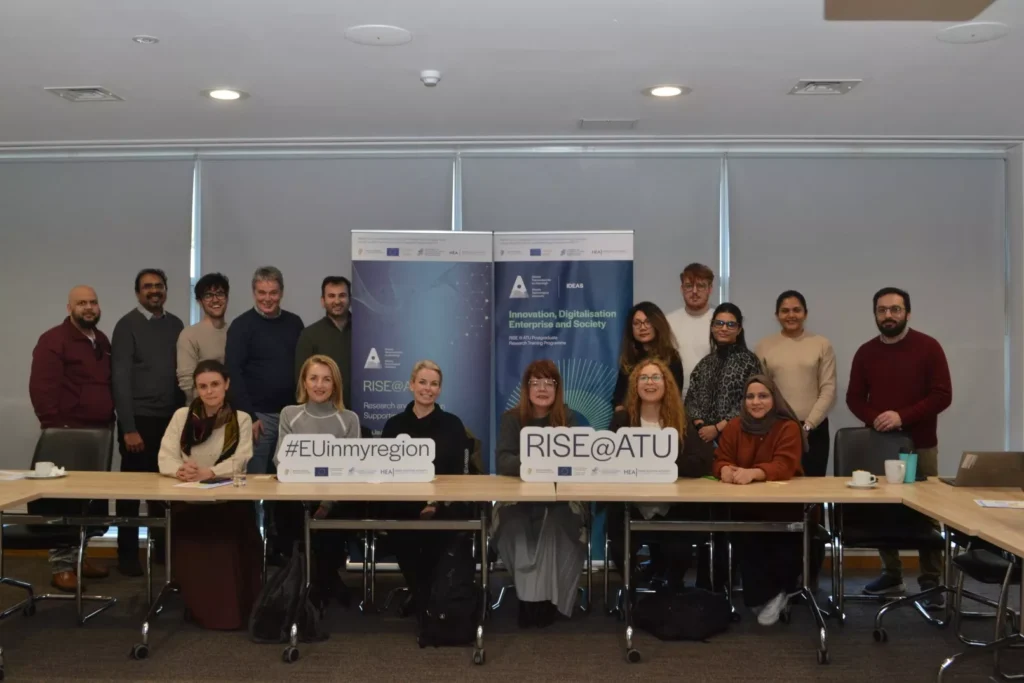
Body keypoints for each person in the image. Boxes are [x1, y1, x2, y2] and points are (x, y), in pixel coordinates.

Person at [847, 286, 952, 605]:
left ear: (907, 312)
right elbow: (854, 398)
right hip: (878, 446)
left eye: (895, 309)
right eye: (882, 310)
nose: (888, 315)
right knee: (882, 510)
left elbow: (941, 395)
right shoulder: (866, 352)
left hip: (920, 445)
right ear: (875, 314)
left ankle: (931, 579)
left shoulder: (929, 347)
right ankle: (891, 572)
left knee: (927, 512)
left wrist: (901, 417)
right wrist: (878, 417)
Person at [157, 360, 261, 630]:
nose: (209, 391)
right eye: (202, 386)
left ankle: (231, 610)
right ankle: (196, 605)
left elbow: (241, 460)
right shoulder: (182, 416)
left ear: (226, 385)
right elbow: (165, 456)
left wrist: (210, 472)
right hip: (189, 499)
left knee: (231, 531)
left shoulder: (241, 419)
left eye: (215, 384)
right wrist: (180, 469)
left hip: (227, 500)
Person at [29, 285, 114, 592]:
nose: (88, 307)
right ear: (69, 308)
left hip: (99, 434)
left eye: (93, 301)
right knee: (63, 504)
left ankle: (81, 558)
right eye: (81, 303)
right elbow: (41, 387)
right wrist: (54, 429)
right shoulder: (53, 341)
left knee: (89, 503)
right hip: (66, 434)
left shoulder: (101, 340)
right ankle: (62, 566)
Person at [606, 358, 715, 589]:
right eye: (643, 377)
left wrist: (664, 462)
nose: (650, 382)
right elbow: (609, 462)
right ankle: (631, 590)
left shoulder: (680, 421)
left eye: (656, 377)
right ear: (635, 385)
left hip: (673, 506)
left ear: (666, 384)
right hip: (631, 506)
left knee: (679, 549)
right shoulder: (622, 420)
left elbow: (703, 462)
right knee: (617, 544)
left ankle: (671, 592)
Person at [495, 360, 587, 628]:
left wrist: (562, 451)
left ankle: (548, 599)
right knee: (514, 525)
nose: (543, 388)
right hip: (518, 498)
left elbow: (582, 463)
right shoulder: (512, 419)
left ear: (558, 388)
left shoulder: (572, 419)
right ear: (526, 388)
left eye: (549, 382)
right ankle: (529, 597)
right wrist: (543, 463)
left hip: (563, 499)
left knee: (556, 525)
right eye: (536, 382)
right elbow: (503, 461)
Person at [713, 374, 806, 626]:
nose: (755, 402)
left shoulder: (787, 427)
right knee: (744, 534)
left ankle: (780, 591)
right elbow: (721, 458)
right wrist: (723, 469)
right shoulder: (734, 426)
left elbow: (784, 464)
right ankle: (764, 595)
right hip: (746, 507)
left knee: (784, 539)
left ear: (774, 399)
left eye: (763, 396)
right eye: (750, 396)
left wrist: (754, 472)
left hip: (783, 508)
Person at [381, 361, 470, 613]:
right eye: (422, 382)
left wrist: (434, 503)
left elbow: (460, 475)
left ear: (439, 390)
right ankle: (425, 597)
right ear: (411, 385)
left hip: (443, 504)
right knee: (400, 527)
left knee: (441, 529)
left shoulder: (453, 425)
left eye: (434, 384)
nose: (427, 389)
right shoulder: (394, 425)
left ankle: (425, 598)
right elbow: (385, 472)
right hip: (403, 504)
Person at [111, 268, 184, 576]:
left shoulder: (177, 324)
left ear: (166, 289)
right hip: (139, 422)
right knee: (132, 493)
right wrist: (128, 427)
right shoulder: (126, 326)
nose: (154, 291)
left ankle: (162, 552)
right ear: (138, 292)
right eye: (147, 287)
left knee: (166, 490)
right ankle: (127, 556)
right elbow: (120, 379)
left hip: (171, 422)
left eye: (159, 285)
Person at [275, 355, 360, 608]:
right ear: (304, 382)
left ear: (335, 385)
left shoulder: (349, 419)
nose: (319, 385)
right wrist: (304, 496)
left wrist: (327, 502)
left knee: (334, 520)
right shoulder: (289, 415)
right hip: (297, 497)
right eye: (313, 378)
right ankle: (317, 583)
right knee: (288, 513)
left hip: (335, 500)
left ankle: (319, 584)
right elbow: (282, 462)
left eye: (326, 379)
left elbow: (350, 468)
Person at [225, 266, 304, 476]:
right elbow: (233, 373)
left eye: (273, 293)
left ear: (282, 293)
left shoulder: (294, 323)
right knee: (256, 478)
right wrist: (249, 416)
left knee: (289, 474)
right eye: (262, 292)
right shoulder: (241, 326)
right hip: (258, 417)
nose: (267, 298)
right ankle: (258, 512)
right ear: (254, 293)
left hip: (291, 414)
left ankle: (278, 512)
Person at [755, 290, 837, 476]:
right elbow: (761, 392)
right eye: (785, 311)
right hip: (776, 429)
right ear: (777, 316)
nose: (791, 315)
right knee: (779, 487)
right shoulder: (764, 346)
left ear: (805, 313)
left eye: (796, 310)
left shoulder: (822, 344)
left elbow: (828, 389)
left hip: (814, 430)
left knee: (812, 489)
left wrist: (808, 425)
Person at [685, 303, 762, 444]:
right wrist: (701, 426)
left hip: (738, 438)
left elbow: (751, 401)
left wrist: (717, 428)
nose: (724, 328)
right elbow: (691, 399)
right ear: (712, 327)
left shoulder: (749, 361)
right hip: (702, 439)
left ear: (739, 329)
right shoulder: (704, 363)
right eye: (719, 323)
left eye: (730, 324)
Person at [612, 302, 684, 409]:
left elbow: (675, 396)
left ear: (657, 324)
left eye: (648, 322)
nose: (642, 327)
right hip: (631, 420)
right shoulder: (629, 359)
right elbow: (618, 398)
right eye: (637, 323)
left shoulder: (671, 357)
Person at [295, 276, 353, 410]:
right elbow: (301, 379)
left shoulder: (365, 331)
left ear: (350, 299)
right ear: (323, 301)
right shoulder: (309, 335)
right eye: (331, 296)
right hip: (321, 413)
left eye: (342, 295)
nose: (337, 301)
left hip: (363, 413)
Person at [177, 272, 230, 404]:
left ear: (227, 298)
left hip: (233, 410)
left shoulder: (235, 331)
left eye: (220, 294)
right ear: (199, 302)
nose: (215, 299)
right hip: (201, 413)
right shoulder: (189, 335)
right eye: (208, 295)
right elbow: (187, 383)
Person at [666, 263, 715, 395]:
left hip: (711, 400)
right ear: (681, 289)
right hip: (675, 398)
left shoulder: (720, 323)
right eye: (689, 286)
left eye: (700, 286)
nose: (694, 291)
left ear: (710, 289)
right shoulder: (668, 322)